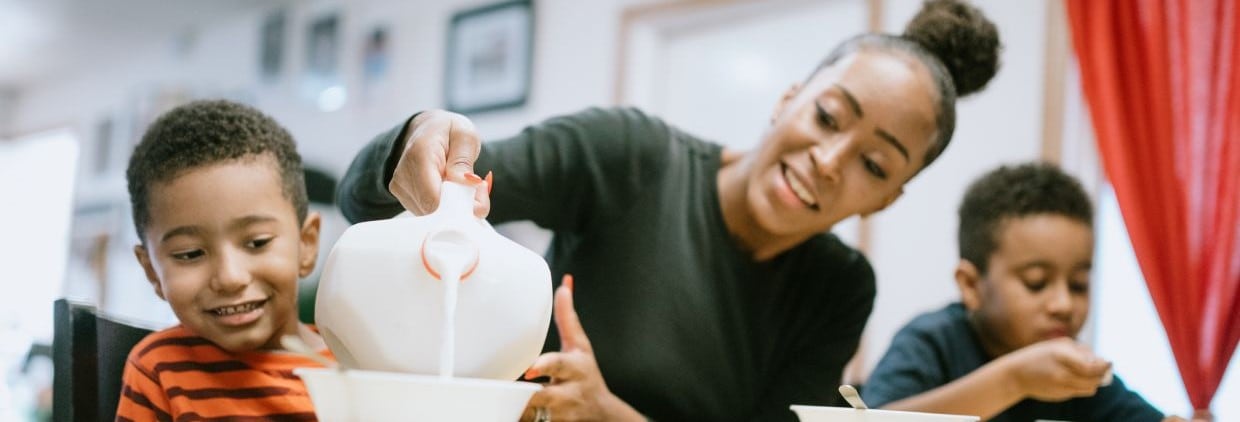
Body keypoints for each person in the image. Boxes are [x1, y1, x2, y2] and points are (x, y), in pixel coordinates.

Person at [337, 0, 1001, 419]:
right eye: (828, 117)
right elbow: (371, 196)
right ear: (789, 97)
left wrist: (609, 414)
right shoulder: (630, 157)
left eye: (875, 165)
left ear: (889, 198)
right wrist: (418, 142)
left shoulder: (838, 287)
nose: (831, 161)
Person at [861, 163, 1185, 421]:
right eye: (1036, 282)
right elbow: (874, 421)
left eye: (1078, 285)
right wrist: (1015, 380)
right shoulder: (932, 342)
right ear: (971, 285)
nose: (1063, 304)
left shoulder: (1076, 376)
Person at [115, 100, 333, 420]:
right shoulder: (158, 369)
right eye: (190, 254)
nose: (230, 277)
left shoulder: (360, 362)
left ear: (306, 244)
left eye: (257, 243)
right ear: (152, 272)